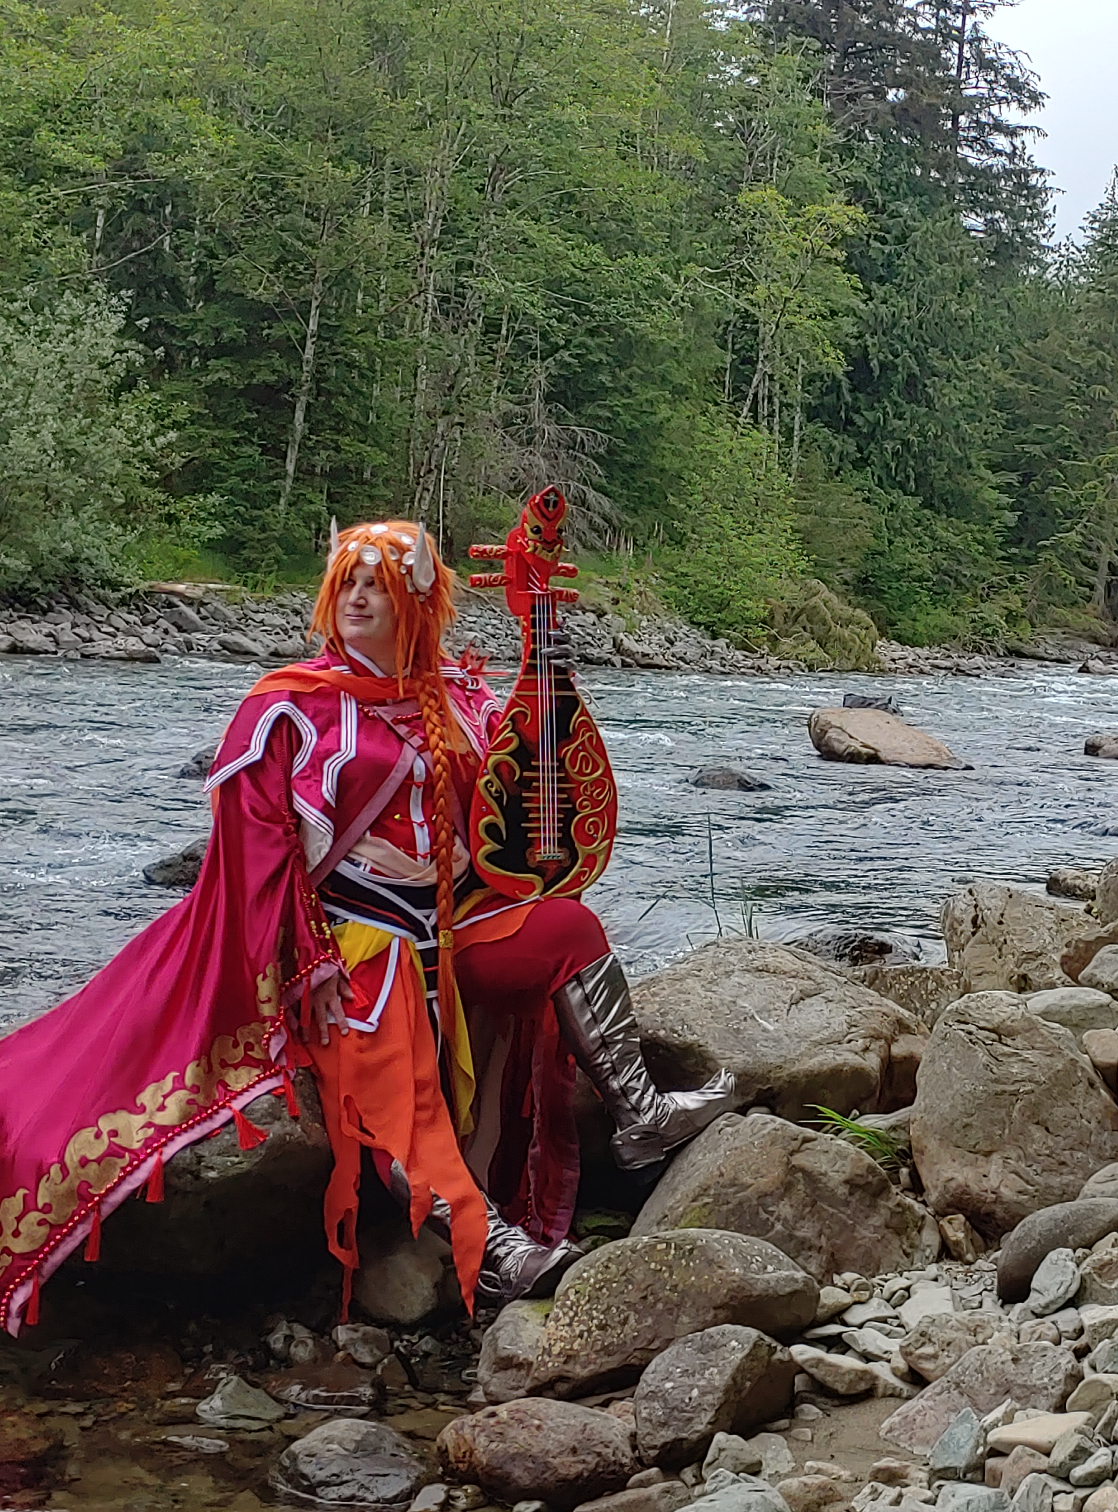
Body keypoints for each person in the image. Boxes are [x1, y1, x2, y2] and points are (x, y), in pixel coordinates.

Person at [0, 519, 730, 1333]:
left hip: (451, 926)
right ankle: (493, 1248)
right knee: (389, 1056)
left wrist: (547, 664)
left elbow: (526, 804)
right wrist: (307, 959)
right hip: (348, 935)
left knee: (567, 929)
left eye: (376, 585)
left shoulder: (460, 697)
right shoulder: (287, 706)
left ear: (417, 603)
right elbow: (255, 847)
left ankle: (640, 1115)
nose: (355, 598)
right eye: (346, 582)